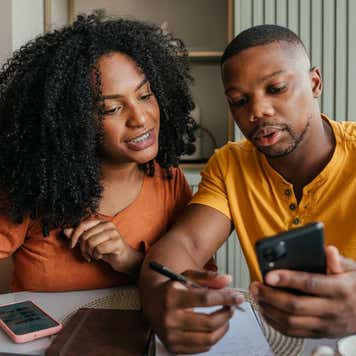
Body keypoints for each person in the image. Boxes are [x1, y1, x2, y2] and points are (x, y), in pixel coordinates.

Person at [139, 24, 356, 353]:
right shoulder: (230, 164)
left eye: (276, 88)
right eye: (239, 101)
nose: (257, 111)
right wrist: (161, 302)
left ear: (314, 83)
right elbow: (185, 243)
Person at [0, 13, 200, 292]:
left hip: (135, 336)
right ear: (71, 121)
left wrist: (129, 260)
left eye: (145, 95)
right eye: (112, 108)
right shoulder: (31, 186)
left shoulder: (169, 181)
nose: (140, 118)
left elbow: (197, 284)